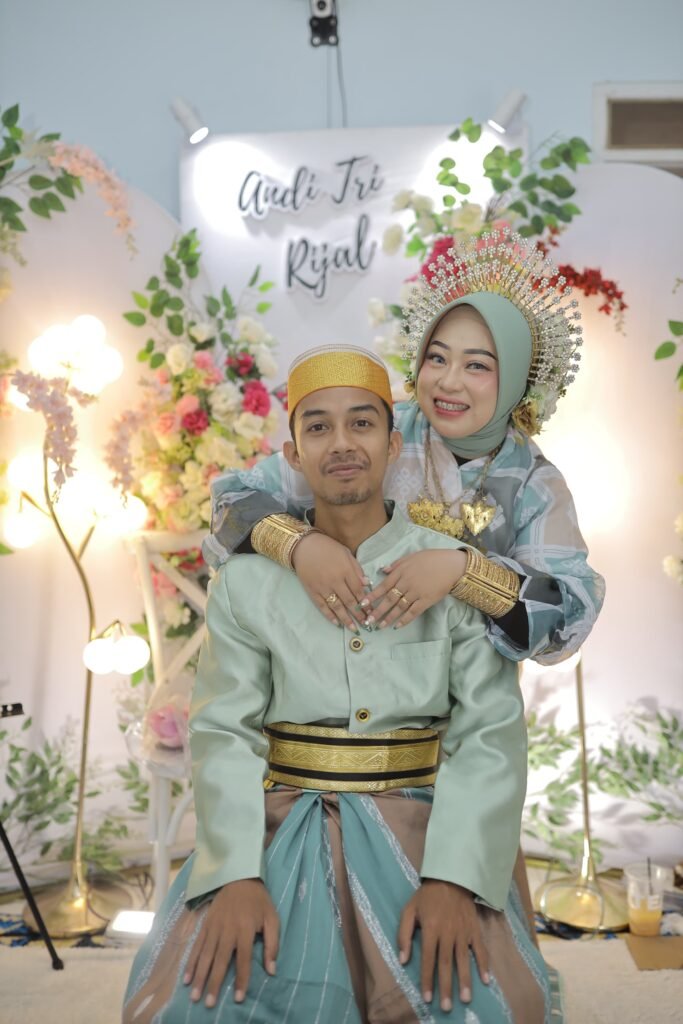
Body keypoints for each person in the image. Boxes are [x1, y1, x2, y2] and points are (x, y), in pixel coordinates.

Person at [123, 346, 558, 1024]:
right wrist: (235, 875)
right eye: (318, 427)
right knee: (204, 1004)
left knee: (471, 1006)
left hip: (423, 829)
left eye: (361, 423)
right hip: (280, 828)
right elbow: (224, 733)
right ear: (292, 456)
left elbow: (489, 735)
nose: (342, 443)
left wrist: (452, 880)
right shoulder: (246, 583)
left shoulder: (448, 570)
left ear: (393, 444)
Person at [203, 230, 605, 940]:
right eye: (436, 358)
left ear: (517, 379)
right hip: (339, 695)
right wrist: (300, 545)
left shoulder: (533, 483)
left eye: (478, 365)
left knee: (473, 933)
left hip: (462, 715)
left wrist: (462, 571)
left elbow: (566, 617)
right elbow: (231, 502)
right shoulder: (373, 431)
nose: (449, 381)